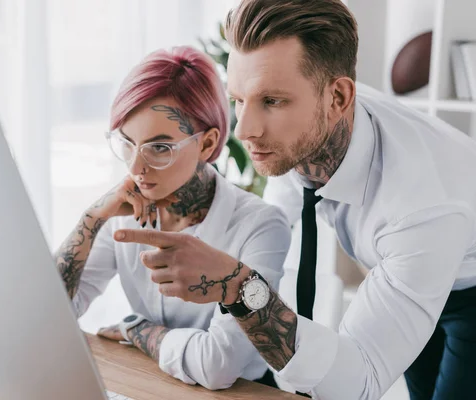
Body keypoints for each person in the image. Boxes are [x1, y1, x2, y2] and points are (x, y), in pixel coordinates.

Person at [112, 1, 476, 399]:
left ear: (338, 98)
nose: (245, 130)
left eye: (272, 101)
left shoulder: (420, 208)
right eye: (238, 99)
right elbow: (263, 228)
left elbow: (361, 384)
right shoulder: (307, 125)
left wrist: (240, 288)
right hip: (414, 264)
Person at [54, 45, 292, 390]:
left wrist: (137, 330)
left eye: (160, 148)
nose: (136, 168)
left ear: (208, 145)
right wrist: (90, 220)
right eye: (127, 143)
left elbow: (217, 367)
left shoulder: (260, 227)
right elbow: (50, 318)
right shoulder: (124, 214)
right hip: (154, 384)